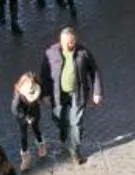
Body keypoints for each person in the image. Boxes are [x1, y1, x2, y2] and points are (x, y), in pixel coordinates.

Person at [41, 26, 102, 164]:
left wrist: (97, 92)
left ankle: (74, 151)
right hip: (58, 94)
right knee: (60, 120)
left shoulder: (83, 52)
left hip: (78, 93)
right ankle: (64, 138)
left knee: (76, 123)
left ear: (75, 40)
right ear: (60, 41)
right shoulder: (50, 53)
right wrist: (45, 94)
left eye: (71, 42)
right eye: (66, 43)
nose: (69, 45)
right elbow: (44, 75)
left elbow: (94, 71)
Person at [11, 73, 50, 169]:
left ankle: (41, 145)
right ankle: (25, 157)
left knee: (36, 127)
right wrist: (25, 119)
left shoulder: (36, 85)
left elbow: (42, 92)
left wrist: (43, 99)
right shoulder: (17, 98)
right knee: (23, 133)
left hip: (34, 110)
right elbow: (15, 110)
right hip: (22, 113)